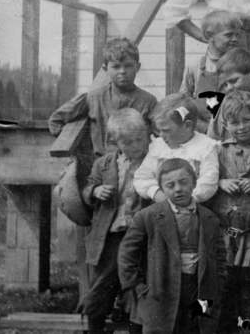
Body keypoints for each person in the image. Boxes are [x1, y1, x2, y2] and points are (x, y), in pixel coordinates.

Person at [118, 158, 227, 334]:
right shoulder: (147, 216)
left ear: (194, 182)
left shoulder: (209, 218)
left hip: (198, 290)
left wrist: (216, 288)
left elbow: (221, 258)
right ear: (161, 188)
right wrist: (138, 288)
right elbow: (126, 256)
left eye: (183, 182)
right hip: (161, 291)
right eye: (170, 185)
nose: (178, 189)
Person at [78, 109, 149, 334]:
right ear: (114, 141)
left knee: (138, 278)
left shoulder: (152, 160)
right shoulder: (104, 164)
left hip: (141, 232)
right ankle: (95, 324)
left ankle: (136, 325)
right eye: (127, 142)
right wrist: (95, 191)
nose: (135, 146)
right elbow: (88, 187)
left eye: (139, 139)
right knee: (105, 277)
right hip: (111, 232)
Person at [210, 91, 250, 332]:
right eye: (234, 122)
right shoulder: (218, 150)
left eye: (247, 120)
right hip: (226, 237)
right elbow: (204, 181)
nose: (242, 126)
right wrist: (220, 183)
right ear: (225, 124)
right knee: (225, 294)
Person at [49, 37, 157, 158]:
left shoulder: (149, 101)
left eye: (128, 66)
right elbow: (56, 121)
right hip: (100, 163)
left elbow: (159, 135)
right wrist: (78, 147)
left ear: (138, 67)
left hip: (137, 163)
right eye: (116, 67)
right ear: (105, 69)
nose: (122, 71)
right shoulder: (93, 98)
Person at [133, 94, 219, 204]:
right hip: (161, 204)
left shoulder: (205, 147)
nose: (161, 135)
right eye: (159, 130)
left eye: (166, 130)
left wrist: (184, 201)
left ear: (187, 126)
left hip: (192, 205)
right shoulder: (160, 146)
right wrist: (156, 193)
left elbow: (208, 183)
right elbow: (142, 176)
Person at [179, 11, 242, 132]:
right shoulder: (195, 66)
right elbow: (183, 101)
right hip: (202, 130)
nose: (235, 39)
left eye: (237, 35)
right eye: (229, 35)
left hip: (234, 130)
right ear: (209, 36)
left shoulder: (241, 65)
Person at [210, 48, 250, 140]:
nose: (229, 88)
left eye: (233, 81)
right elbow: (211, 140)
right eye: (225, 84)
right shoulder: (221, 106)